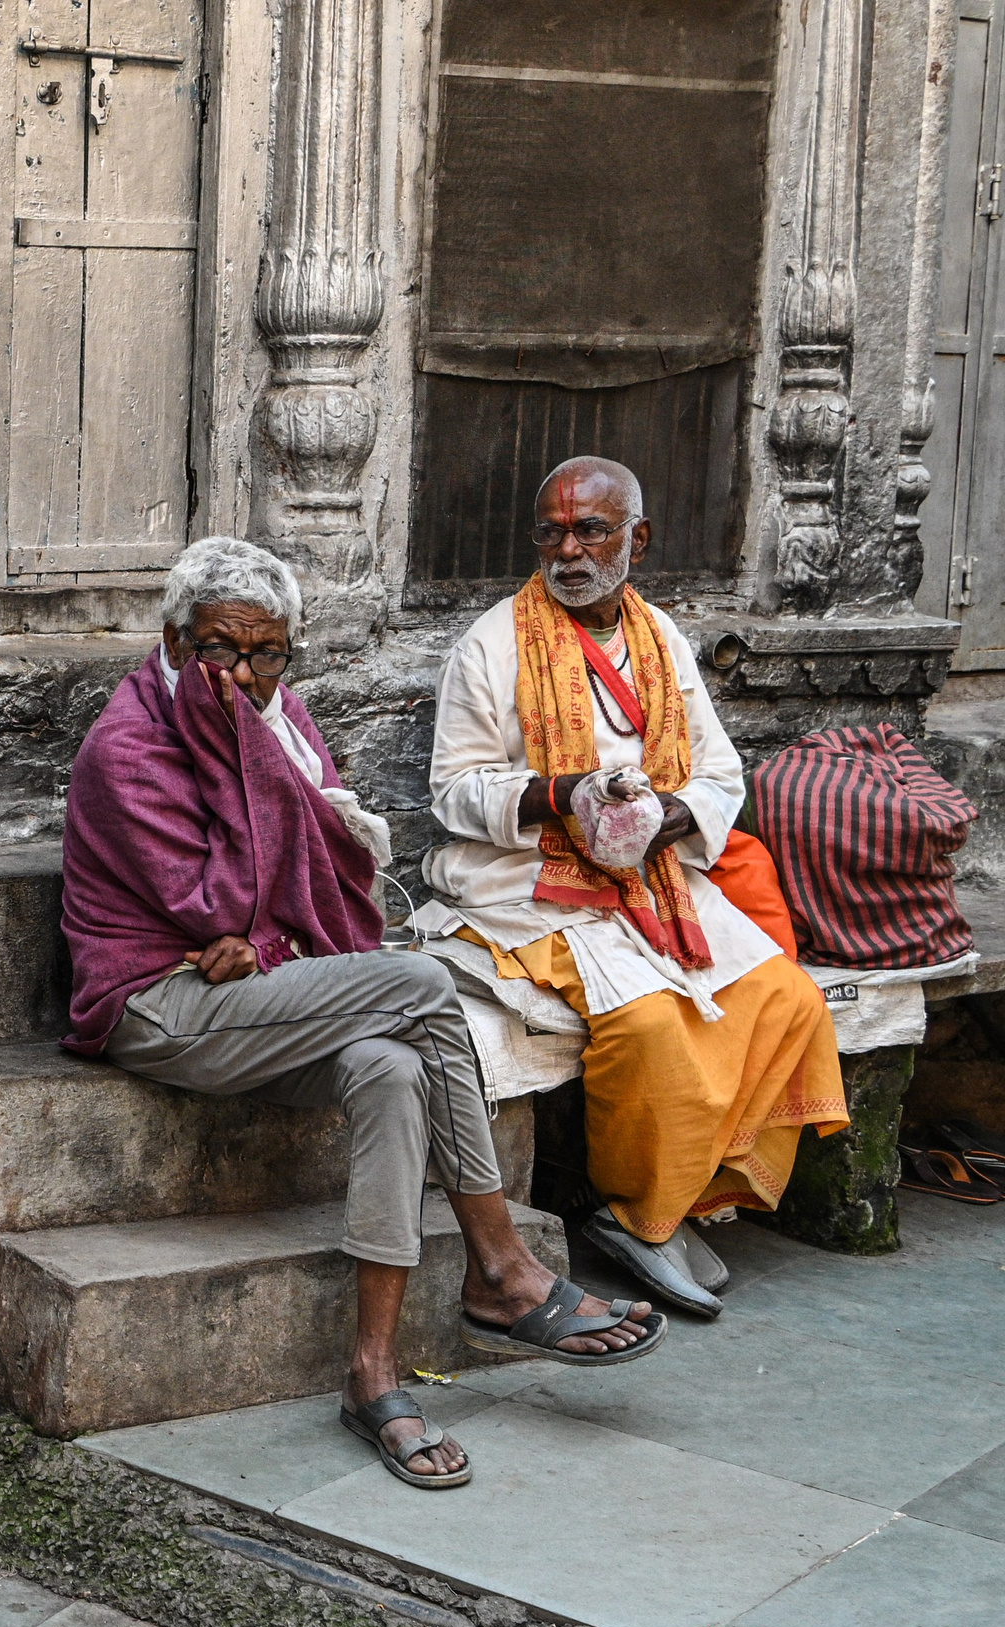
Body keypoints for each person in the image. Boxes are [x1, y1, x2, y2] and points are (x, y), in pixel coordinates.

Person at [60, 537, 659, 1490]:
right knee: (419, 984)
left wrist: (261, 938)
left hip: (254, 989)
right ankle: (500, 1264)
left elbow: (317, 871)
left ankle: (372, 1373)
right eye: (220, 650)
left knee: (391, 1066)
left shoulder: (277, 714)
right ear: (174, 642)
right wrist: (255, 928)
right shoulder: (128, 747)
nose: (245, 676)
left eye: (267, 654)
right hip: (155, 1002)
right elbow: (220, 905)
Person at [423, 457, 847, 1317]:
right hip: (531, 884)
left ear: (637, 540)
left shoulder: (662, 639)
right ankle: (635, 1214)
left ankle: (687, 1196)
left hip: (658, 878)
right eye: (552, 533)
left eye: (591, 531)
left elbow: (720, 771)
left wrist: (673, 816)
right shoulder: (492, 644)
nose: (568, 551)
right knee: (650, 1023)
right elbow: (454, 791)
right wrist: (563, 795)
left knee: (790, 1000)